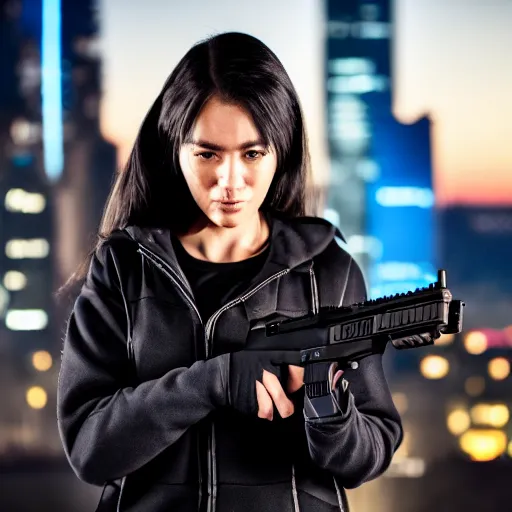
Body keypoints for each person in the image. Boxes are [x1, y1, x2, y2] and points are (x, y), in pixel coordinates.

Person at [57, 32, 412, 512]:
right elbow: (89, 449)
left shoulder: (328, 270)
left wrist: (327, 411)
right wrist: (213, 382)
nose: (230, 182)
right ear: (173, 148)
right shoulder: (124, 267)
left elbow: (368, 456)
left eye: (252, 153)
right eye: (207, 154)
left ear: (280, 149)